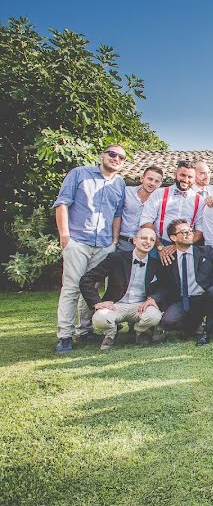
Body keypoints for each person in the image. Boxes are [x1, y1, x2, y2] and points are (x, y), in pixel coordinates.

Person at [53, 144, 128, 353]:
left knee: (91, 288)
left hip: (104, 244)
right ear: (102, 155)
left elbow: (117, 215)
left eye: (121, 157)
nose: (116, 159)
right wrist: (65, 237)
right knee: (72, 288)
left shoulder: (119, 184)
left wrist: (113, 241)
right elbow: (62, 204)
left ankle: (84, 330)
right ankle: (64, 336)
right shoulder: (79, 174)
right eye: (112, 154)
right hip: (78, 240)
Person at [79, 225, 163, 350]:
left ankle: (140, 331)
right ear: (135, 240)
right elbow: (87, 279)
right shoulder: (116, 258)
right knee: (100, 318)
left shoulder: (156, 264)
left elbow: (165, 285)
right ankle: (111, 333)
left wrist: (154, 298)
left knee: (154, 316)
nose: (148, 242)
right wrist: (97, 303)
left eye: (152, 240)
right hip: (116, 305)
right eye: (144, 238)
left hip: (140, 306)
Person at [141, 160, 205, 255]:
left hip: (186, 246)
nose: (186, 180)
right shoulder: (159, 193)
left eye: (190, 177)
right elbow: (146, 220)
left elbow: (200, 228)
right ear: (175, 174)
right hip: (158, 243)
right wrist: (159, 246)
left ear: (194, 178)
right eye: (182, 175)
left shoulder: (199, 200)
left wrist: (181, 245)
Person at [115, 166, 163, 252]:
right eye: (150, 179)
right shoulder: (126, 192)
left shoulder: (160, 201)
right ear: (142, 179)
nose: (152, 183)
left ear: (160, 184)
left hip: (144, 245)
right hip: (121, 241)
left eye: (156, 181)